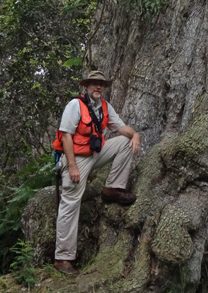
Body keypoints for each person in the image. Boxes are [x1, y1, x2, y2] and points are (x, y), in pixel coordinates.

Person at [53, 70, 141, 274]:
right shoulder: (75, 105)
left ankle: (113, 189)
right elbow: (65, 136)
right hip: (75, 157)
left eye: (101, 84)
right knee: (71, 202)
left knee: (125, 142)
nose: (98, 87)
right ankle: (63, 258)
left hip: (95, 154)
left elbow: (121, 128)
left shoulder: (104, 106)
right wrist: (73, 166)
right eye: (94, 83)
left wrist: (135, 134)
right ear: (86, 86)